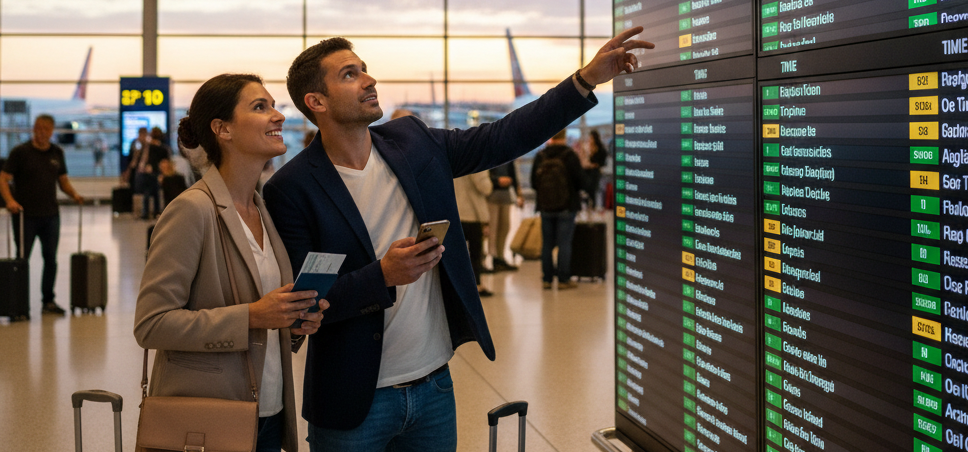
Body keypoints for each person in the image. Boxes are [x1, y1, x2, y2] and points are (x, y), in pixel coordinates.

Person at [263, 26, 652, 450]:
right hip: (354, 398)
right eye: (350, 74)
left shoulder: (411, 141)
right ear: (316, 102)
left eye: (365, 70)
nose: (369, 80)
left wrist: (585, 80)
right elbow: (307, 302)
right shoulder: (292, 187)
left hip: (433, 386)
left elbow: (503, 136)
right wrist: (384, 274)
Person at [134, 74, 330, 452]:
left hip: (269, 411)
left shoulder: (261, 208)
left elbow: (264, 315)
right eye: (260, 107)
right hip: (213, 421)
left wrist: (293, 322)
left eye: (273, 106)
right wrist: (253, 316)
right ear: (221, 129)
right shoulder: (193, 210)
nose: (278, 116)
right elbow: (151, 324)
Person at [0, 114, 85, 315]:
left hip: (50, 215)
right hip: (24, 217)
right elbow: (3, 180)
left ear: (52, 131)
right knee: (21, 260)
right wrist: (10, 201)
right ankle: (18, 302)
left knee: (50, 259)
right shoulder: (20, 152)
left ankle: (48, 301)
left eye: (46, 129)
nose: (41, 132)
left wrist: (74, 195)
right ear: (33, 129)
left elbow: (63, 181)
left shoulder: (57, 153)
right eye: (38, 128)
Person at [531, 129, 584, 290]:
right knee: (564, 243)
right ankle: (563, 279)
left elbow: (534, 182)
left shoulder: (541, 156)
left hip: (545, 207)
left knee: (547, 244)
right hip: (566, 207)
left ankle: (547, 279)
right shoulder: (570, 156)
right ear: (564, 136)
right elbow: (580, 180)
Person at [454, 171, 494, 297]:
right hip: (471, 213)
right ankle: (476, 285)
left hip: (456, 211)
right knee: (475, 253)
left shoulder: (453, 156)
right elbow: (485, 187)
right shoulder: (475, 160)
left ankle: (458, 285)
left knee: (458, 254)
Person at [487, 161, 523, 271]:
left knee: (504, 227)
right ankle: (493, 256)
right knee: (493, 228)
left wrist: (519, 194)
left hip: (506, 194)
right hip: (492, 194)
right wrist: (497, 181)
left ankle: (500, 257)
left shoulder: (508, 157)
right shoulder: (488, 154)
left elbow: (513, 175)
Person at [137, 127, 171, 219]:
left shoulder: (149, 147)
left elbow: (146, 159)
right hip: (159, 172)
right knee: (156, 193)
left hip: (150, 172)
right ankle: (156, 212)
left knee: (147, 192)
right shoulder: (164, 148)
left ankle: (146, 212)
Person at [582, 130, 608, 208]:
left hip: (595, 173)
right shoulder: (589, 148)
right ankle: (589, 206)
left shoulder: (601, 149)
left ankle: (593, 206)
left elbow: (601, 163)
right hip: (588, 172)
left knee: (593, 190)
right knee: (588, 191)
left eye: (591, 138)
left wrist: (593, 165)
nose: (590, 140)